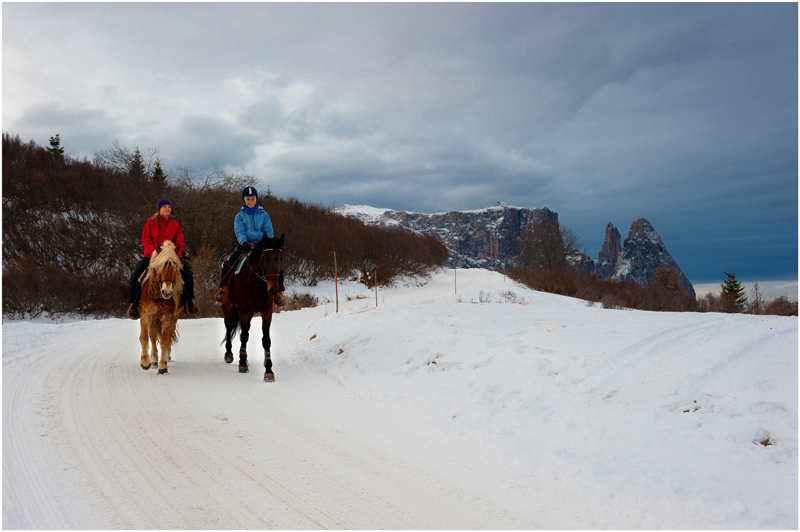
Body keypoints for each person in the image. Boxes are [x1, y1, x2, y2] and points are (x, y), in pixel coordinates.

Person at [127, 198, 199, 319]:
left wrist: (175, 256)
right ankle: (133, 304)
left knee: (188, 274)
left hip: (171, 258)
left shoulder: (175, 225)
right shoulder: (149, 223)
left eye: (169, 207)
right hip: (152, 257)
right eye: (164, 206)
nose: (167, 208)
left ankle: (190, 301)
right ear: (159, 209)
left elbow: (180, 243)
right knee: (136, 276)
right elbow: (145, 240)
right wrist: (154, 253)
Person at [215, 186, 286, 306]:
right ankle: (224, 289)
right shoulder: (240, 216)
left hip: (262, 246)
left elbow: (268, 230)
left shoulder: (264, 215)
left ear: (256, 199)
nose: (250, 201)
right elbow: (239, 231)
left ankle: (278, 293)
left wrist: (266, 242)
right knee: (229, 263)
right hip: (246, 245)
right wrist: (243, 242)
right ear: (244, 200)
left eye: (252, 199)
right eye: (248, 199)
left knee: (276, 264)